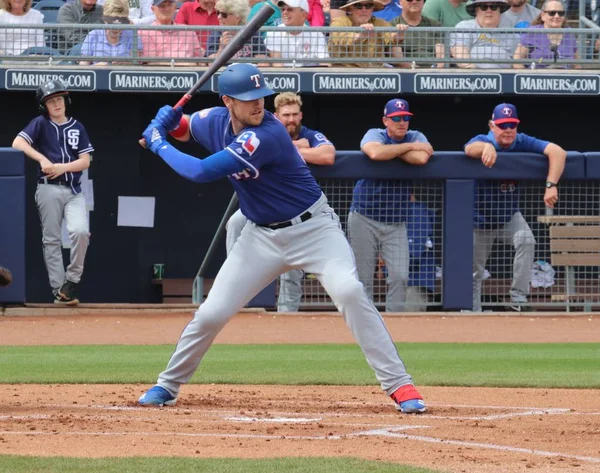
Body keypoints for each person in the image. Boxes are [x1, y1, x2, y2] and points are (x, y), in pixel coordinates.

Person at [137, 63, 426, 414]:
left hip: (314, 229)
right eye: (249, 99)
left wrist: (156, 140)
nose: (259, 104)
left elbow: (199, 172)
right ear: (228, 101)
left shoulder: (267, 133)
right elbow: (186, 130)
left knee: (349, 291)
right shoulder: (212, 118)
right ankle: (167, 385)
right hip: (260, 237)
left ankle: (400, 384)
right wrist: (171, 122)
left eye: (262, 96)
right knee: (212, 313)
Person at [225, 92, 336, 312]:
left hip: (296, 209)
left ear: (301, 115)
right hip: (259, 206)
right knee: (234, 223)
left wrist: (296, 148)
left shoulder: (310, 135)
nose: (291, 119)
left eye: (295, 114)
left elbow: (327, 156)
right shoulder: (261, 131)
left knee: (292, 269)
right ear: (277, 115)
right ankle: (237, 286)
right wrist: (294, 147)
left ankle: (288, 316)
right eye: (286, 115)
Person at [464, 103, 566, 312]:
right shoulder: (483, 140)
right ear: (492, 125)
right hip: (478, 219)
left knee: (527, 240)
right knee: (475, 271)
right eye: (503, 125)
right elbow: (468, 148)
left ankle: (518, 300)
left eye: (512, 124)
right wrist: (486, 147)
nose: (508, 129)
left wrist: (551, 185)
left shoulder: (521, 141)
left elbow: (557, 151)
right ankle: (471, 312)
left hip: (508, 216)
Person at [12, 80, 94, 305]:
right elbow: (18, 142)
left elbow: (85, 161)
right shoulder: (40, 123)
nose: (56, 104)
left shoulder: (78, 127)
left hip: (73, 189)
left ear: (65, 101)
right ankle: (60, 292)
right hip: (47, 189)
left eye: (59, 99)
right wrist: (42, 158)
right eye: (50, 101)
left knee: (80, 231)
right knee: (52, 241)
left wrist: (61, 168)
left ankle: (72, 280)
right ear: (44, 106)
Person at [349, 99, 433, 313]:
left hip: (396, 221)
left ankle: (394, 322)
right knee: (363, 278)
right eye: (396, 118)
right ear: (386, 120)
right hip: (365, 216)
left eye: (405, 118)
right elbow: (375, 152)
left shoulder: (416, 135)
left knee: (399, 276)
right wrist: (408, 148)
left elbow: (422, 157)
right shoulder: (375, 133)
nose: (401, 122)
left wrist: (396, 150)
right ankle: (365, 322)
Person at [329, 0, 401, 68]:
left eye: (368, 6)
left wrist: (399, 35)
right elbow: (338, 37)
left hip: (374, 70)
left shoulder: (380, 23)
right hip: (344, 71)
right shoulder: (339, 22)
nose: (364, 10)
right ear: (350, 9)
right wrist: (359, 36)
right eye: (358, 6)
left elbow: (390, 37)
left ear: (372, 9)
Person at [450, 0, 519, 68]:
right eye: (484, 7)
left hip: (505, 76)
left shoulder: (509, 32)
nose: (489, 11)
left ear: (500, 11)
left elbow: (517, 61)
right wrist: (477, 72)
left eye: (493, 7)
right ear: (476, 11)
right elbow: (460, 52)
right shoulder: (465, 27)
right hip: (473, 74)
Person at [513, 0, 577, 69]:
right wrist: (527, 77)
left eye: (561, 13)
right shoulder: (532, 32)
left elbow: (577, 63)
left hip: (565, 78)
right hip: (538, 77)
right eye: (552, 13)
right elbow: (517, 60)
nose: (557, 16)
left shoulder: (569, 33)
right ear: (543, 15)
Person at [139, 0, 205, 66]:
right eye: (162, 6)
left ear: (175, 7)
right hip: (161, 73)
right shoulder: (145, 32)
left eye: (169, 5)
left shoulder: (188, 31)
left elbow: (199, 58)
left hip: (191, 73)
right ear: (153, 9)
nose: (166, 8)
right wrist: (185, 64)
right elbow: (151, 62)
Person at [265, 0, 329, 67]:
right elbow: (277, 64)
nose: (285, 12)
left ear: (303, 15)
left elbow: (325, 63)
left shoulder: (316, 34)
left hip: (309, 74)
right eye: (283, 9)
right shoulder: (275, 33)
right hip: (284, 75)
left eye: (290, 9)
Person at [79, 0, 141, 65]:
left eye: (120, 23)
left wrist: (125, 63)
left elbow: (136, 62)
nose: (116, 28)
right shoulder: (93, 35)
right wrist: (96, 67)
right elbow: (83, 64)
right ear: (105, 20)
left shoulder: (132, 35)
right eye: (112, 23)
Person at [390, 0, 446, 68]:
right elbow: (398, 59)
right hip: (405, 71)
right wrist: (415, 70)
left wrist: (437, 69)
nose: (414, 2)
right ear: (400, 2)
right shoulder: (392, 25)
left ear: (423, 2)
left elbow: (441, 54)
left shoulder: (435, 25)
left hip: (433, 71)